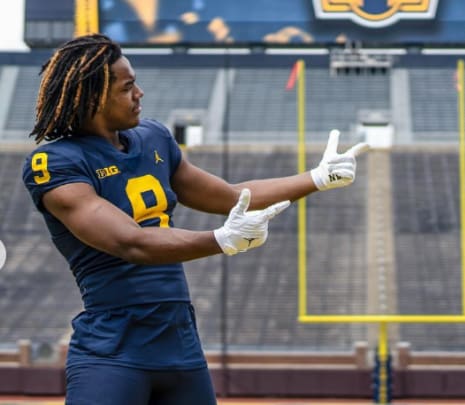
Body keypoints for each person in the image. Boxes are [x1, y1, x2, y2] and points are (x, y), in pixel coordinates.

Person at [21, 34, 369, 405]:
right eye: (127, 87)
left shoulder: (153, 137)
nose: (139, 93)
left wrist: (316, 178)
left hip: (179, 343)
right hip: (114, 348)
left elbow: (233, 197)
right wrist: (221, 240)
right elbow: (130, 242)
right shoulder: (55, 163)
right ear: (93, 97)